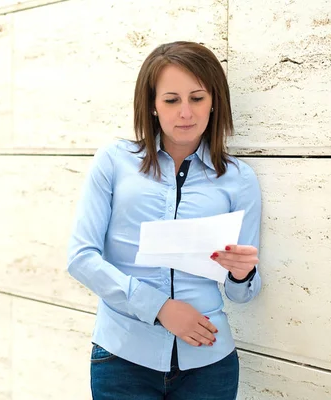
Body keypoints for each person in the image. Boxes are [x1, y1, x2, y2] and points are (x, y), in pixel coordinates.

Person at [67, 41, 262, 400]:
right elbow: (81, 258)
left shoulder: (239, 179)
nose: (185, 112)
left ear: (214, 101)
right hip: (122, 358)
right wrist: (159, 308)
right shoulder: (114, 162)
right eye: (172, 100)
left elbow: (242, 293)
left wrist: (242, 273)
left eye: (197, 98)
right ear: (153, 106)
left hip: (210, 362)